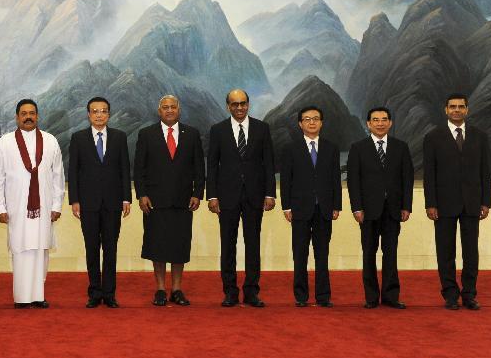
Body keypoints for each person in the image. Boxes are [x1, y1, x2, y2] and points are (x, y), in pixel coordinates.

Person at [134, 95, 205, 307]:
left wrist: (197, 193)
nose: (169, 110)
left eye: (173, 107)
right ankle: (160, 289)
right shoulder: (147, 134)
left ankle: (177, 289)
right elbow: (139, 169)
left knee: (179, 245)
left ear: (179, 110)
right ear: (159, 111)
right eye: (165, 107)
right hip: (155, 201)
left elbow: (199, 168)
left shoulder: (191, 134)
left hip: (183, 200)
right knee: (157, 245)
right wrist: (141, 194)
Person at [206, 89, 275, 308]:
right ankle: (230, 292)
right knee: (228, 245)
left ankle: (252, 291)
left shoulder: (262, 129)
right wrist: (213, 196)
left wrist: (270, 193)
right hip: (227, 197)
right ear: (228, 106)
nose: (239, 108)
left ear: (248, 104)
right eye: (234, 104)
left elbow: (269, 164)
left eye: (243, 103)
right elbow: (212, 165)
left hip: (255, 196)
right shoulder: (217, 130)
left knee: (253, 245)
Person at [0, 99, 64, 308]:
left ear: (38, 116)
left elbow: (58, 176)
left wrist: (57, 206)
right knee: (21, 249)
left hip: (44, 206)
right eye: (23, 113)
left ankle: (38, 295)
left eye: (32, 113)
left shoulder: (50, 141)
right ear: (17, 117)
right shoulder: (5, 142)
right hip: (16, 207)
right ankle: (22, 298)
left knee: (40, 249)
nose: (28, 117)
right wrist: (0, 207)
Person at [423, 93, 491, 311]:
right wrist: (430, 203)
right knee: (446, 251)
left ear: (467, 110)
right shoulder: (433, 137)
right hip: (443, 204)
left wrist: (486, 201)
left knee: (471, 252)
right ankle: (450, 294)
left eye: (461, 106)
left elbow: (485, 171)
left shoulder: (480, 136)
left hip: (472, 203)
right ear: (445, 110)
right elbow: (429, 175)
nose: (456, 110)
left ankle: (469, 294)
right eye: (452, 106)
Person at [347, 107, 413, 309]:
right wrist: (356, 208)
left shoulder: (401, 147)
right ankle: (371, 297)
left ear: (390, 123)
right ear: (368, 124)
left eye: (384, 119)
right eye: (375, 120)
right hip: (367, 210)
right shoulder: (358, 148)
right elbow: (353, 180)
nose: (380, 123)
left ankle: (391, 296)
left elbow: (407, 179)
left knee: (390, 252)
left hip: (393, 209)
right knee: (369, 253)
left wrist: (406, 206)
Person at [68, 97, 131, 308]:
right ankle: (95, 292)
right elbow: (73, 172)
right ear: (88, 114)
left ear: (109, 114)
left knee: (111, 249)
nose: (99, 115)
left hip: (113, 204)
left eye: (103, 111)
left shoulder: (119, 137)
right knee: (92, 248)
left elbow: (124, 170)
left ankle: (110, 293)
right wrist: (74, 200)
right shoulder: (78, 138)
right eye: (95, 111)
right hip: (88, 204)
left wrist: (126, 198)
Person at [280, 106, 341, 308]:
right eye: (307, 119)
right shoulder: (291, 149)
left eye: (316, 118)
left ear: (321, 123)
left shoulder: (331, 148)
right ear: (300, 124)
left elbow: (335, 179)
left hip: (324, 208)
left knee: (322, 254)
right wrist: (286, 206)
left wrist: (337, 205)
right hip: (299, 208)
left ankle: (323, 296)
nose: (312, 122)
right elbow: (286, 180)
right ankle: (301, 296)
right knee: (300, 253)